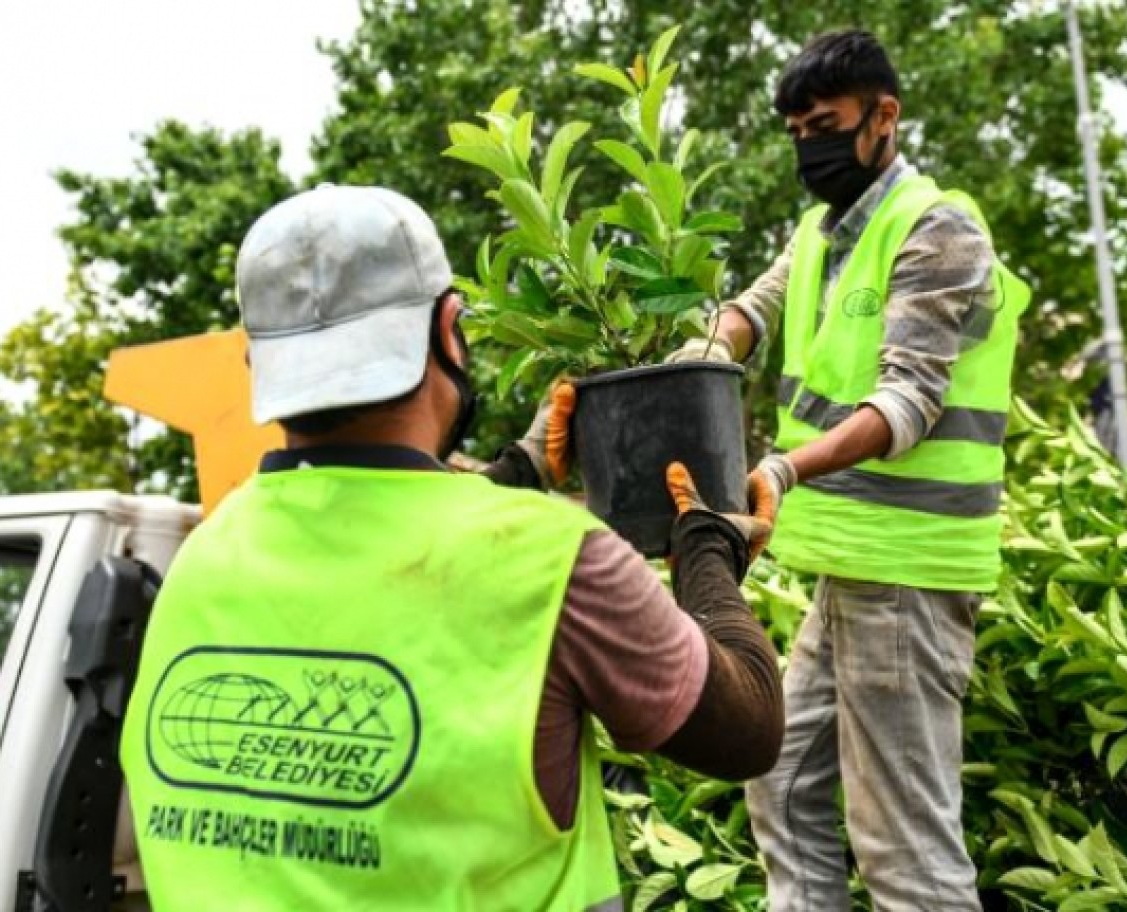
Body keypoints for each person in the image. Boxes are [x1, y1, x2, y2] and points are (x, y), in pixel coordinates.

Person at [119, 184, 783, 911]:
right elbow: (747, 729)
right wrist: (708, 547)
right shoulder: (554, 565)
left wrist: (516, 473)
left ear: (259, 366)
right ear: (448, 330)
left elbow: (382, 566)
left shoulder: (202, 560)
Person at [671, 29, 1029, 912]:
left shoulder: (938, 229)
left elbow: (906, 402)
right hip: (850, 569)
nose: (811, 148)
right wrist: (684, 361)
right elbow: (748, 313)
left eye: (825, 124)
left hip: (908, 572)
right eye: (796, 133)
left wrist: (784, 469)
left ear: (885, 117)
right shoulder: (821, 235)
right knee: (781, 780)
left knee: (903, 848)